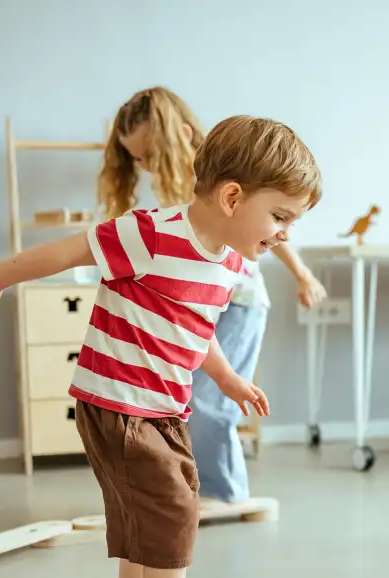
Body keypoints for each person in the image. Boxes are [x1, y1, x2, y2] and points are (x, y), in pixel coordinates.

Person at [0, 114, 322, 578]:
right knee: (171, 511)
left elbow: (194, 327)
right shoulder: (151, 233)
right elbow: (65, 253)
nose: (283, 233)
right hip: (116, 402)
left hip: (163, 407)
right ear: (232, 197)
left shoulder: (230, 263)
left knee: (148, 515)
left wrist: (227, 379)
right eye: (279, 216)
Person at [99, 87, 327, 503]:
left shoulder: (220, 175)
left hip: (238, 301)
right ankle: (193, 488)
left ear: (182, 134)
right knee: (186, 398)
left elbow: (275, 227)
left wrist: (302, 274)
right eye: (136, 158)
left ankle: (225, 494)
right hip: (193, 299)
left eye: (148, 153)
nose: (144, 165)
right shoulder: (171, 187)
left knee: (211, 401)